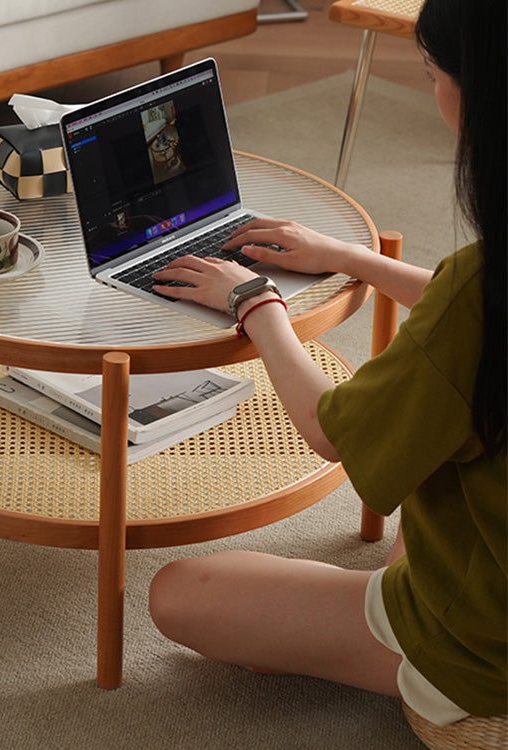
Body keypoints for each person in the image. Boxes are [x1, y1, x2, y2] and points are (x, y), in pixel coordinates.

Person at [147, 0, 506, 725]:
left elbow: (330, 431)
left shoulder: (475, 295)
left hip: (481, 650)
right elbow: (476, 307)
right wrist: (353, 260)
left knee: (180, 592)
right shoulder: (476, 294)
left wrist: (255, 303)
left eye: (433, 74)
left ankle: (371, 631)